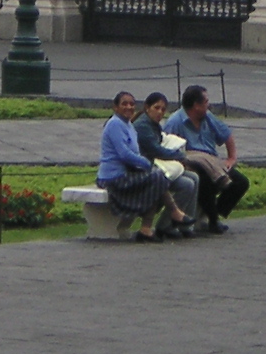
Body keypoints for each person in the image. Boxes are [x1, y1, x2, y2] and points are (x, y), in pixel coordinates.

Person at [97, 92, 189, 243]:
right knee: (157, 177)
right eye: (124, 104)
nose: (129, 107)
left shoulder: (128, 125)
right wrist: (145, 163)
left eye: (132, 104)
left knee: (156, 177)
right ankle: (172, 213)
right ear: (115, 107)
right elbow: (124, 154)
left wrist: (143, 165)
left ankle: (149, 228)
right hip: (112, 177)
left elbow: (134, 152)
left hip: (127, 172)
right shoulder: (114, 124)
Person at [175, 84, 248, 233]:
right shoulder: (176, 122)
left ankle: (213, 213)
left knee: (241, 182)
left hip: (212, 163)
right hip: (191, 164)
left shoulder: (208, 117)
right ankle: (213, 221)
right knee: (204, 179)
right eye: (206, 102)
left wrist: (231, 158)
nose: (209, 105)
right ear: (196, 105)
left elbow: (227, 134)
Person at [134, 91, 200, 237]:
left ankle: (184, 226)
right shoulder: (143, 126)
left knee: (194, 178)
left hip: (157, 166)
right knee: (186, 184)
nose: (160, 112)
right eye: (156, 108)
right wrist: (180, 156)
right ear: (147, 107)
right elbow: (156, 150)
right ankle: (165, 225)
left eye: (163, 109)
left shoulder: (153, 124)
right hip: (147, 170)